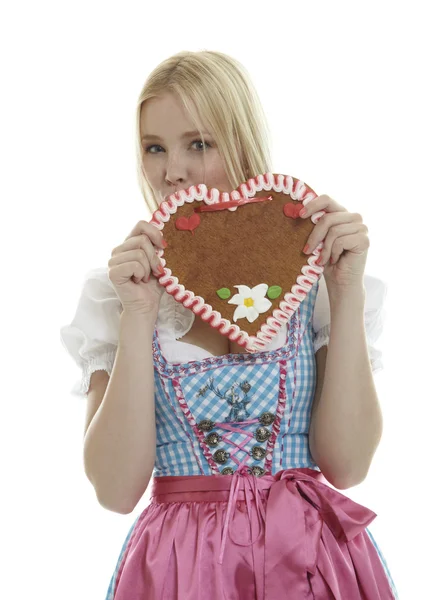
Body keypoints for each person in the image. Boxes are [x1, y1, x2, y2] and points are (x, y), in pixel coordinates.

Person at [60, 50, 399, 599]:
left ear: (241, 143)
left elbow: (349, 463)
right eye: (154, 148)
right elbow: (116, 490)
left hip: (310, 560)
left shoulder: (314, 284)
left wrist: (346, 289)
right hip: (177, 570)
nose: (173, 171)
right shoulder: (118, 293)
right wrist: (138, 315)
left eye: (199, 144)